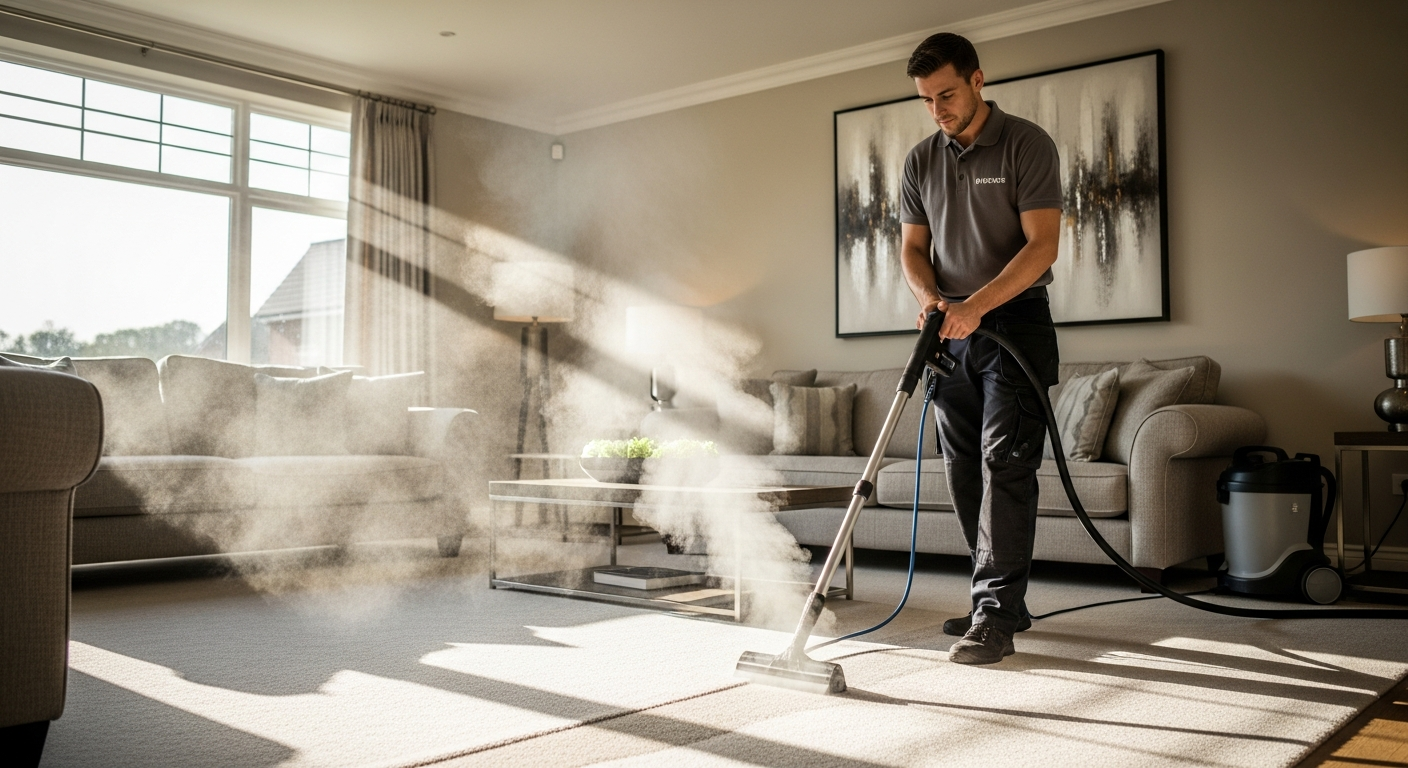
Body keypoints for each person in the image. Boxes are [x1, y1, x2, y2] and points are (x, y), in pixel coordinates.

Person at [898, 32, 1063, 665]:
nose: (937, 109)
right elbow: (914, 249)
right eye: (926, 99)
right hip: (951, 329)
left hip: (1014, 324)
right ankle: (995, 598)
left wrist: (976, 306)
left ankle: (994, 613)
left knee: (1006, 465)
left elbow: (1041, 246)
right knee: (962, 466)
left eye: (946, 94)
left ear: (977, 80)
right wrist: (935, 299)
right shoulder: (920, 161)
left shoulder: (1026, 144)